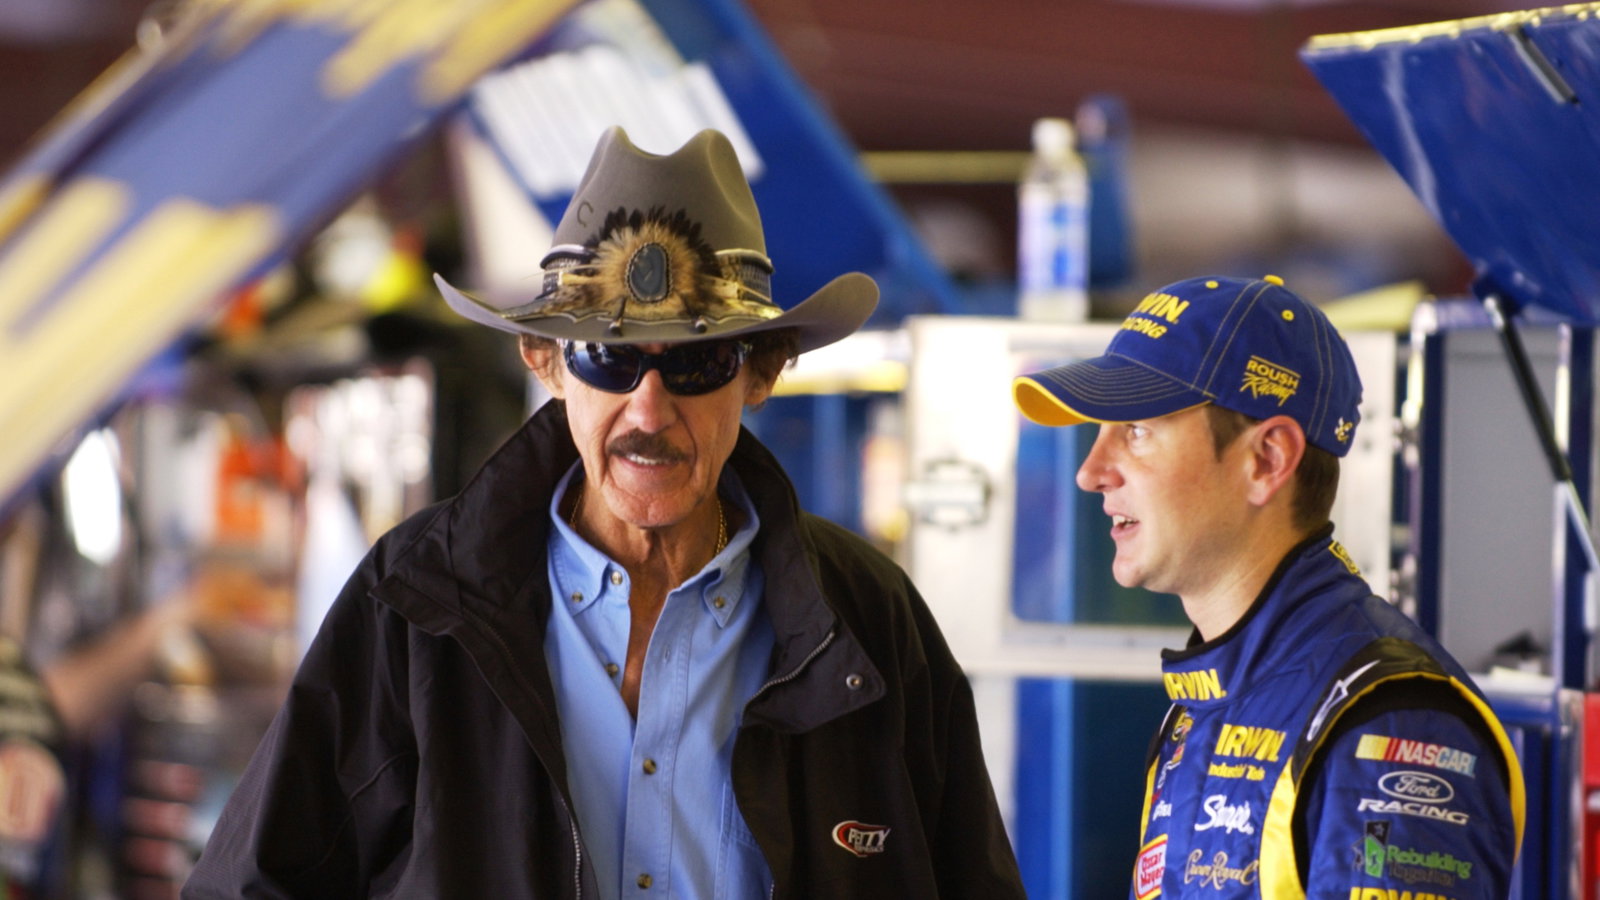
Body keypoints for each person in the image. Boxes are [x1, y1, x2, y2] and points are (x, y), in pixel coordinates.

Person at [185, 127, 1024, 899]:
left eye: (696, 362)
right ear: (547, 362)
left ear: (760, 375)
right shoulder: (415, 603)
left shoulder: (869, 622)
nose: (649, 411)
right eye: (609, 358)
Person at [1012, 275, 1523, 898]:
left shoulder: (1389, 720)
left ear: (1268, 459)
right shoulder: (1202, 704)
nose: (1091, 473)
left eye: (1138, 430)